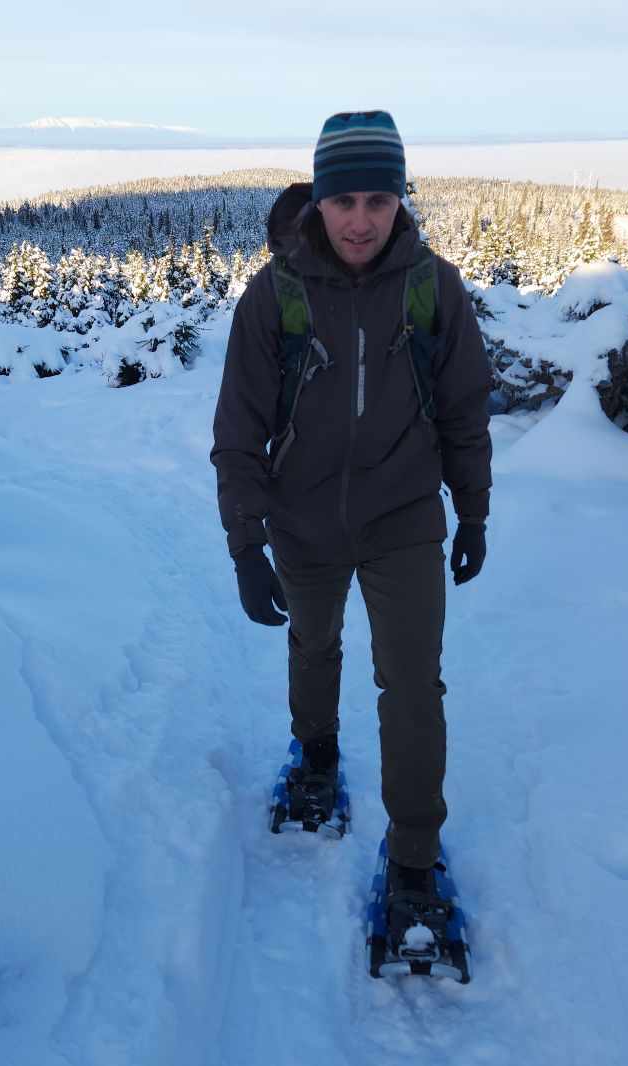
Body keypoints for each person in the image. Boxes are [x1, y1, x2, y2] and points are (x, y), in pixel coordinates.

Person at [210, 110, 492, 904]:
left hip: (404, 517)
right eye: (344, 202)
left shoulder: (434, 289)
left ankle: (414, 856)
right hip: (303, 518)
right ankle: (317, 752)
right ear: (319, 200)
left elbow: (465, 411)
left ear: (401, 198)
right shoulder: (275, 295)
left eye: (379, 200)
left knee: (413, 687)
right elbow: (239, 430)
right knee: (313, 642)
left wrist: (473, 513)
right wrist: (246, 543)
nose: (361, 221)